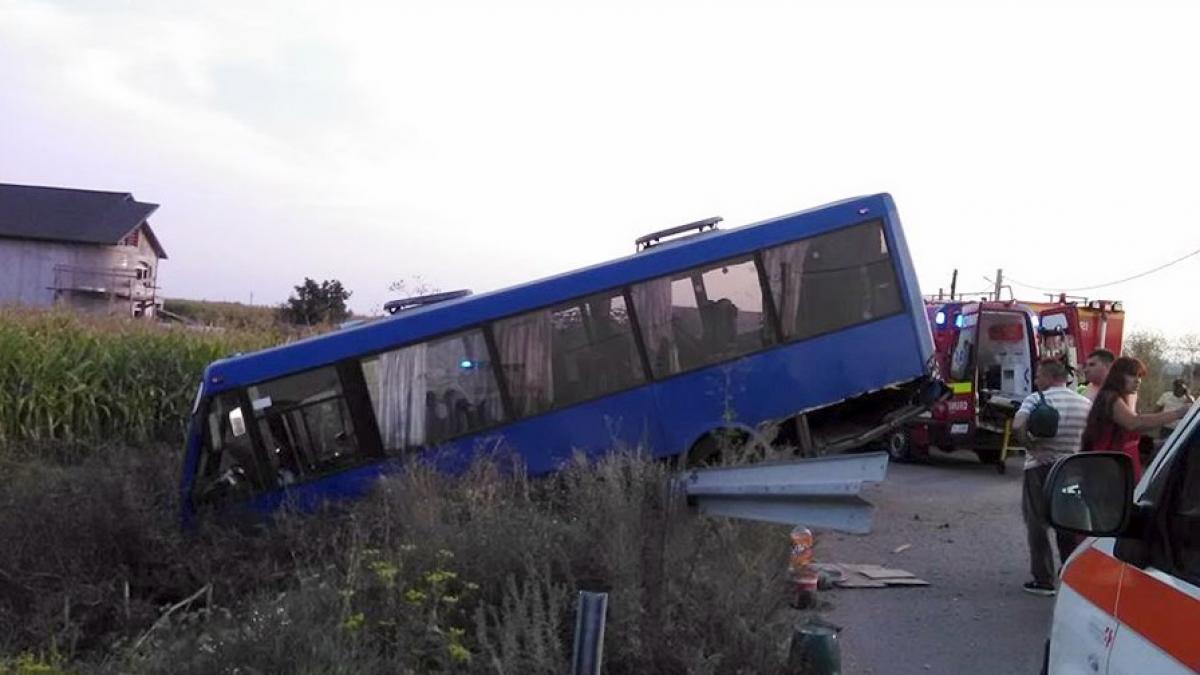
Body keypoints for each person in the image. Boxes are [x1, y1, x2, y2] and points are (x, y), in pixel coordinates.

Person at [1012, 358, 1093, 596]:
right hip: (1070, 469)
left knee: (1037, 522)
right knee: (1066, 522)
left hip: (1039, 467)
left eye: (1038, 376)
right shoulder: (1085, 403)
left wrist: (1029, 445)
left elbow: (1018, 425)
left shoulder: (1036, 399)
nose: (1036, 381)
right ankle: (1069, 575)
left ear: (1048, 377)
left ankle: (1043, 579)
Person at [1081, 357, 1188, 482]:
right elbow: (1134, 423)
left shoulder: (1119, 398)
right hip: (1109, 471)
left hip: (1118, 468)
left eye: (1140, 377)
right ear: (1118, 376)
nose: (1138, 381)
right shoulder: (1110, 397)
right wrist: (1179, 413)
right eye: (1132, 375)